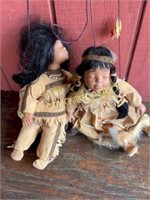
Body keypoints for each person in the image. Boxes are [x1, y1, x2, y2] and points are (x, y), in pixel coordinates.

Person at [66, 45, 150, 157]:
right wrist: (69, 112)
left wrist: (138, 103)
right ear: (82, 75)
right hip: (98, 120)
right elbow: (72, 100)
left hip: (116, 112)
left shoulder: (116, 85)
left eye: (105, 76)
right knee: (111, 131)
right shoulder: (80, 90)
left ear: (111, 74)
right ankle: (126, 144)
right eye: (92, 77)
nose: (99, 81)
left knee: (135, 116)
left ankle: (146, 126)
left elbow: (130, 91)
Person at [11, 19, 73, 170]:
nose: (65, 48)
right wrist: (27, 112)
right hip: (37, 114)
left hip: (56, 116)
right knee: (27, 129)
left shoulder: (68, 76)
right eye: (60, 48)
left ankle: (45, 157)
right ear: (48, 55)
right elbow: (30, 94)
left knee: (51, 137)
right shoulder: (41, 79)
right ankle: (19, 148)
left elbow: (76, 90)